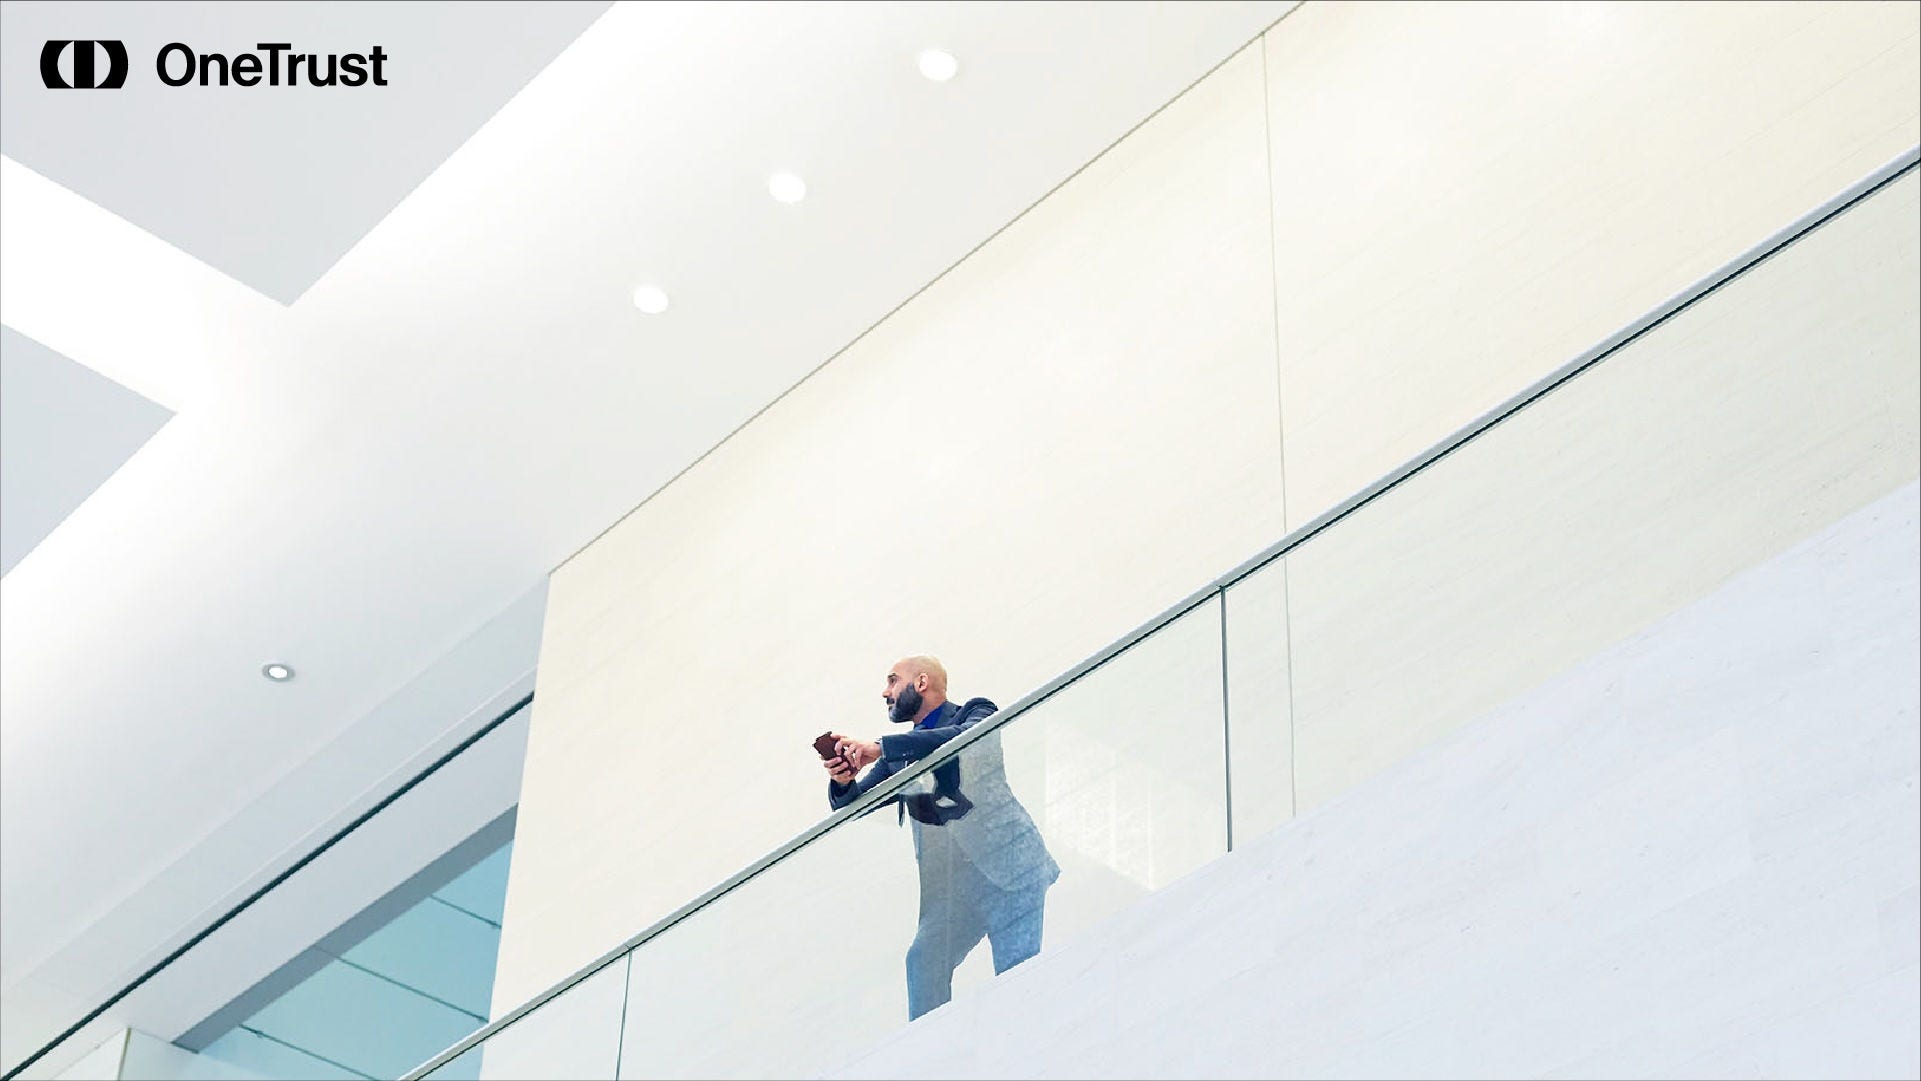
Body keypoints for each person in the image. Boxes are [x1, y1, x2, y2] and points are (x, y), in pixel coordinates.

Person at [823, 655, 1060, 1020]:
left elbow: (963, 740)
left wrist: (880, 747)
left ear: (921, 683)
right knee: (923, 960)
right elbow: (854, 806)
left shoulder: (973, 713)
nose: (884, 692)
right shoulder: (898, 756)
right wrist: (842, 781)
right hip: (954, 890)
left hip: (1010, 873)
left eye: (892, 681)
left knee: (1017, 982)